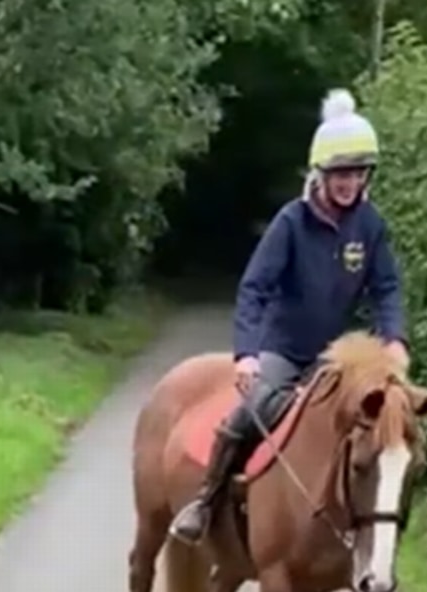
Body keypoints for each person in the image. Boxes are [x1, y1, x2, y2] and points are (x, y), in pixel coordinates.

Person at [168, 88, 411, 546]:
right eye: (340, 173)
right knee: (250, 412)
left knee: (375, 422)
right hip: (283, 351)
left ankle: (357, 523)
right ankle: (205, 500)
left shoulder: (371, 225)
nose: (348, 182)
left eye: (357, 173)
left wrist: (394, 338)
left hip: (334, 359)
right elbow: (254, 289)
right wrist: (247, 355)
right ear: (321, 174)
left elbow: (387, 288)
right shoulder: (290, 223)